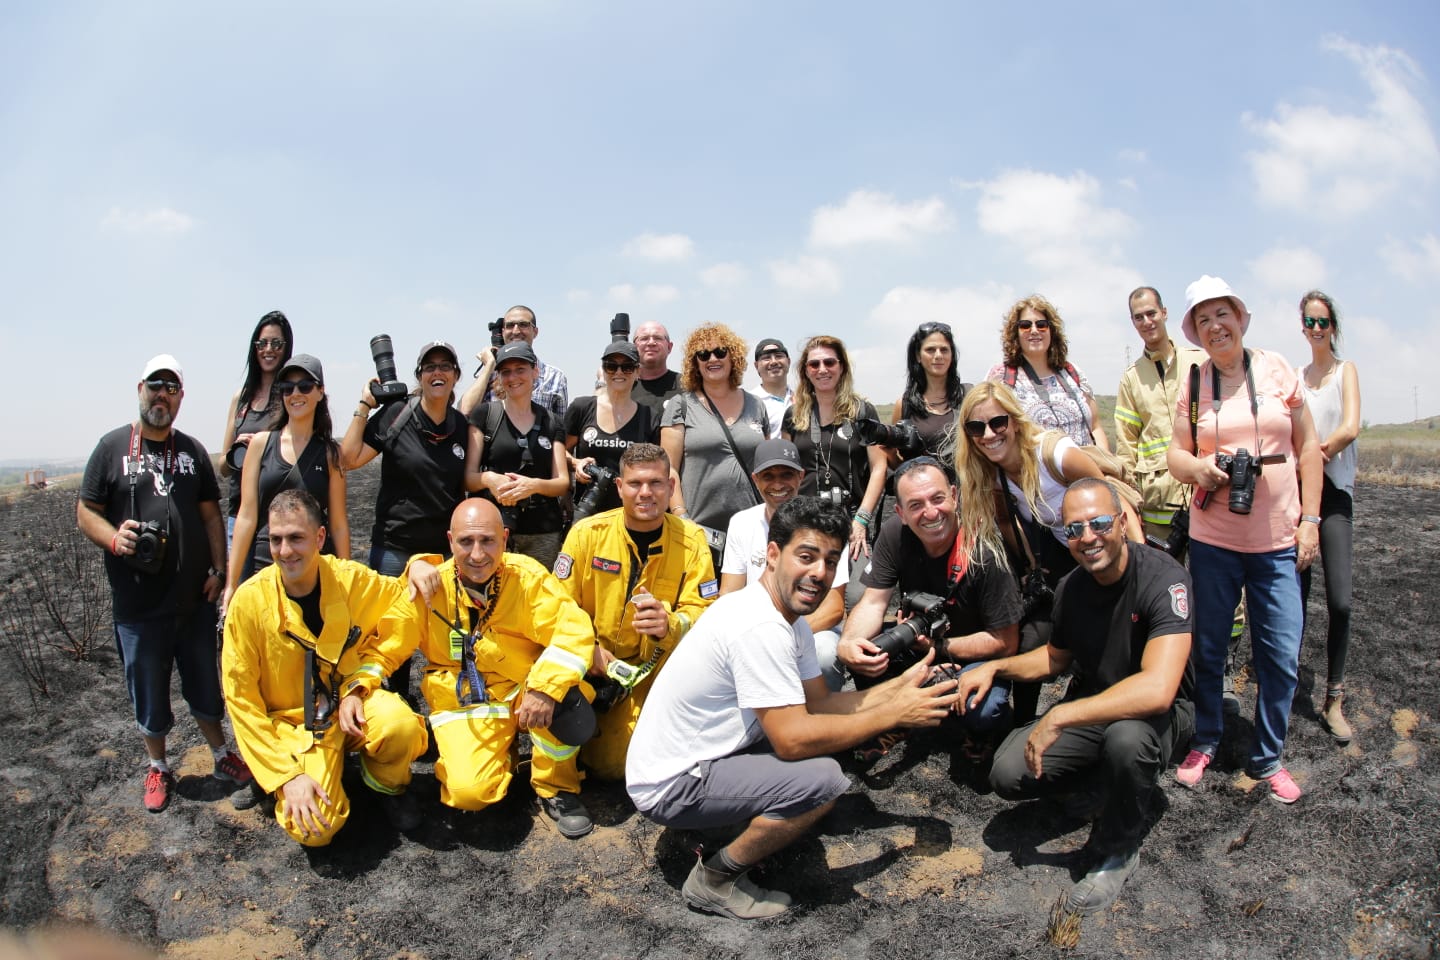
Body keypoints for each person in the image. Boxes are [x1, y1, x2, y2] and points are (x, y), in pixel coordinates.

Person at [626, 497, 965, 919]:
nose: (818, 573)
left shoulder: (785, 617)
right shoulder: (761, 627)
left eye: (829, 560)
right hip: (670, 783)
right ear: (772, 554)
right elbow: (791, 741)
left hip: (691, 757)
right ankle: (714, 879)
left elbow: (821, 703)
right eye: (805, 556)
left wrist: (898, 688)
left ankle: (716, 826)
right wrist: (896, 715)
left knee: (820, 749)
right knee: (822, 780)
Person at [961, 479, 1194, 915]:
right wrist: (995, 666)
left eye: (1100, 523)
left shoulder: (1165, 579)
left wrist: (1059, 718)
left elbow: (1158, 690)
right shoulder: (1072, 587)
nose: (1087, 538)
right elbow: (1054, 659)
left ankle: (1118, 850)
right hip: (1095, 706)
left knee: (1127, 740)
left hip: (1156, 717)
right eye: (1074, 529)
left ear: (1123, 523)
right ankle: (1104, 784)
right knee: (1008, 773)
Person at [1166, 275, 1322, 804]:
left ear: (1241, 317)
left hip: (1278, 541)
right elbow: (1176, 455)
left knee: (1280, 653)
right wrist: (1201, 469)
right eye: (1203, 319)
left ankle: (1268, 756)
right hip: (1214, 541)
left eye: (1222, 314)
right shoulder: (1193, 384)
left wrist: (1311, 521)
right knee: (1210, 648)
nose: (1215, 326)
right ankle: (1206, 739)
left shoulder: (1277, 369)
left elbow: (1307, 450)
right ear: (1196, 332)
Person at [78, 354, 252, 813]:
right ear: (140, 389)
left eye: (171, 388)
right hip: (138, 606)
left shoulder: (192, 450)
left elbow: (211, 514)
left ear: (180, 397)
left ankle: (220, 754)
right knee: (149, 691)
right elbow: (85, 511)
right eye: (155, 386)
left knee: (205, 686)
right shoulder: (111, 448)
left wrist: (218, 571)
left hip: (193, 601)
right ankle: (158, 767)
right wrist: (115, 539)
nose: (162, 395)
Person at [222, 490, 428, 845]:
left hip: (351, 703)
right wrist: (285, 776)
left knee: (400, 726)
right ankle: (275, 776)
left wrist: (419, 565)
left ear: (319, 537)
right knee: (314, 829)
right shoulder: (248, 603)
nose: (285, 551)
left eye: (296, 538)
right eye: (276, 539)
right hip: (291, 726)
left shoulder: (348, 580)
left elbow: (402, 600)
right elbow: (241, 701)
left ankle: (388, 786)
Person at [402, 499, 598, 838]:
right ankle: (501, 756)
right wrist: (413, 565)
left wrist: (544, 688)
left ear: (505, 539)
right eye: (466, 542)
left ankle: (557, 787)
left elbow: (572, 631)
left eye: (487, 541)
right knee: (469, 793)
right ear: (450, 541)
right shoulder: (428, 587)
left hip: (525, 691)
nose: (477, 554)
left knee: (568, 696)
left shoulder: (528, 578)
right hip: (467, 701)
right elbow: (376, 611)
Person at [955, 381, 1141, 725]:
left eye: (998, 423)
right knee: (1030, 643)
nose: (989, 434)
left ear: (1015, 421)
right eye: (976, 427)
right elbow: (1006, 521)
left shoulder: (1054, 454)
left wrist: (1140, 567)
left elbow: (1109, 501)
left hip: (1101, 546)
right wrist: (1029, 565)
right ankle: (1022, 725)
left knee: (1114, 632)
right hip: (1061, 558)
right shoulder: (992, 472)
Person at [553, 443, 715, 783]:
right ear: (619, 488)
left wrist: (670, 624)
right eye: (635, 484)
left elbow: (706, 612)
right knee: (587, 744)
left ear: (671, 488)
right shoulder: (587, 534)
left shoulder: (692, 540)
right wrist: (588, 650)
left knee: (617, 765)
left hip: (651, 673)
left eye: (656, 483)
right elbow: (558, 606)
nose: (646, 493)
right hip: (590, 666)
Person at [837, 456, 1021, 745]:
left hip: (972, 654)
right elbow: (873, 602)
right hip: (918, 643)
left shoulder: (984, 551)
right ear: (900, 512)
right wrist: (848, 644)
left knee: (982, 710)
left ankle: (980, 736)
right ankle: (896, 720)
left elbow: (1006, 642)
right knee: (865, 652)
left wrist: (937, 646)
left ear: (954, 495)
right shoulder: (895, 534)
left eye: (937, 499)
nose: (931, 513)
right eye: (916, 505)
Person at [340, 340, 469, 703]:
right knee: (391, 637)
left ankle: (445, 711)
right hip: (395, 548)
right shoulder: (396, 414)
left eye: (446, 366)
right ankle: (395, 712)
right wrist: (365, 404)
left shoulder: (461, 426)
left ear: (456, 376)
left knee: (446, 639)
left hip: (442, 555)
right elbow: (348, 459)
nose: (438, 372)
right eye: (430, 367)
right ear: (419, 376)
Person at [223, 354, 349, 615]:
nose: (295, 393)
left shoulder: (330, 453)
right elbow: (246, 516)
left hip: (315, 568)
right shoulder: (260, 444)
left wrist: (346, 580)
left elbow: (337, 523)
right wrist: (231, 584)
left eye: (305, 386)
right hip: (266, 562)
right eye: (287, 388)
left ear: (320, 392)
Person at [720, 439, 849, 691]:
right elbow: (729, 595)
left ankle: (823, 721)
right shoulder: (741, 523)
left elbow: (834, 608)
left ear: (801, 476)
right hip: (754, 628)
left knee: (824, 651)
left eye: (787, 474)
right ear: (755, 479)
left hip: (812, 626)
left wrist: (780, 636)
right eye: (768, 476)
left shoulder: (826, 523)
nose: (778, 484)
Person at [1297, 289, 1361, 746]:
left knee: (1340, 601)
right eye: (1309, 321)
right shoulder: (1296, 378)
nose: (1316, 328)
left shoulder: (1345, 371)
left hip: (1334, 495)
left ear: (1333, 326)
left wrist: (1317, 456)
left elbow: (1350, 426)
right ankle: (1281, 691)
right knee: (1292, 599)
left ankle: (1333, 698)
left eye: (1323, 321)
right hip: (1298, 500)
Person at [660, 323, 769, 569]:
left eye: (720, 352)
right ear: (694, 363)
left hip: (752, 528)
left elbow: (766, 467)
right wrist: (681, 517)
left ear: (734, 357)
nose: (712, 359)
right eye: (703, 354)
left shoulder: (756, 405)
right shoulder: (681, 405)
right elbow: (669, 469)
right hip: (699, 529)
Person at [782, 335, 887, 572]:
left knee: (857, 594)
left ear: (842, 367)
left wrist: (861, 520)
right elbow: (786, 472)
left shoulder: (862, 411)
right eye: (814, 364)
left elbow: (879, 467)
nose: (822, 370)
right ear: (806, 371)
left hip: (851, 521)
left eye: (830, 362)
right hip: (805, 521)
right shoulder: (794, 416)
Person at [465, 341, 570, 570]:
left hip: (542, 529)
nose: (513, 377)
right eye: (506, 372)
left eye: (520, 369)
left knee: (539, 598)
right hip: (492, 528)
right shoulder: (485, 415)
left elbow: (562, 482)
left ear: (535, 372)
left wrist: (533, 486)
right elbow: (468, 477)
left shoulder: (552, 422)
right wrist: (489, 479)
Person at [1114, 287, 1206, 540]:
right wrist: (1132, 504)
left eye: (1151, 313)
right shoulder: (1131, 380)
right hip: (1158, 505)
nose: (1146, 321)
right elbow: (1126, 445)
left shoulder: (1199, 362)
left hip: (1205, 495)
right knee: (1165, 578)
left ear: (1164, 313)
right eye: (1138, 317)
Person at [987, 296, 1109, 451]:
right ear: (1015, 333)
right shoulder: (1001, 377)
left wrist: (1105, 465)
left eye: (1042, 325)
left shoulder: (1072, 372)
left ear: (1052, 331)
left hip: (1089, 471)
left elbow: (1095, 427)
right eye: (1025, 326)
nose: (1034, 330)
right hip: (1036, 473)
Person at [219, 310, 293, 549]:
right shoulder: (240, 398)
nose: (268, 349)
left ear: (286, 348)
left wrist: (265, 446)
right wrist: (239, 453)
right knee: (240, 586)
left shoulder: (292, 396)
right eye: (262, 343)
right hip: (238, 513)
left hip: (276, 516)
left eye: (276, 343)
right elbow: (223, 468)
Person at [564, 339, 660, 517]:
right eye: (611, 366)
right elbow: (559, 451)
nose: (618, 372)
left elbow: (658, 469)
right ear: (603, 370)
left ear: (638, 371)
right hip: (586, 514)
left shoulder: (649, 417)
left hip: (632, 515)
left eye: (627, 367)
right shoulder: (582, 407)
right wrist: (577, 463)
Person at [460, 305, 570, 420]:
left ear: (535, 332)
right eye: (510, 325)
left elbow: (560, 429)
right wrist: (488, 366)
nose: (516, 331)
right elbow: (466, 412)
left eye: (523, 325)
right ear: (503, 332)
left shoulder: (555, 377)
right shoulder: (490, 374)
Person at [890, 321, 966, 467]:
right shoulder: (904, 405)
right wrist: (888, 454)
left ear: (952, 355)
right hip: (923, 487)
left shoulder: (968, 396)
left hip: (966, 488)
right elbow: (899, 465)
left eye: (944, 350)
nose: (938, 355)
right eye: (930, 350)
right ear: (918, 356)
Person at [631, 321, 682, 415]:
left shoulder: (687, 385)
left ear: (669, 347)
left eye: (658, 338)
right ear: (633, 348)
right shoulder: (623, 388)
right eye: (644, 338)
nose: (651, 343)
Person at [749, 337, 793, 439]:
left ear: (789, 361)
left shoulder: (802, 400)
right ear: (756, 366)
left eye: (779, 356)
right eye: (766, 358)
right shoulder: (749, 402)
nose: (773, 362)